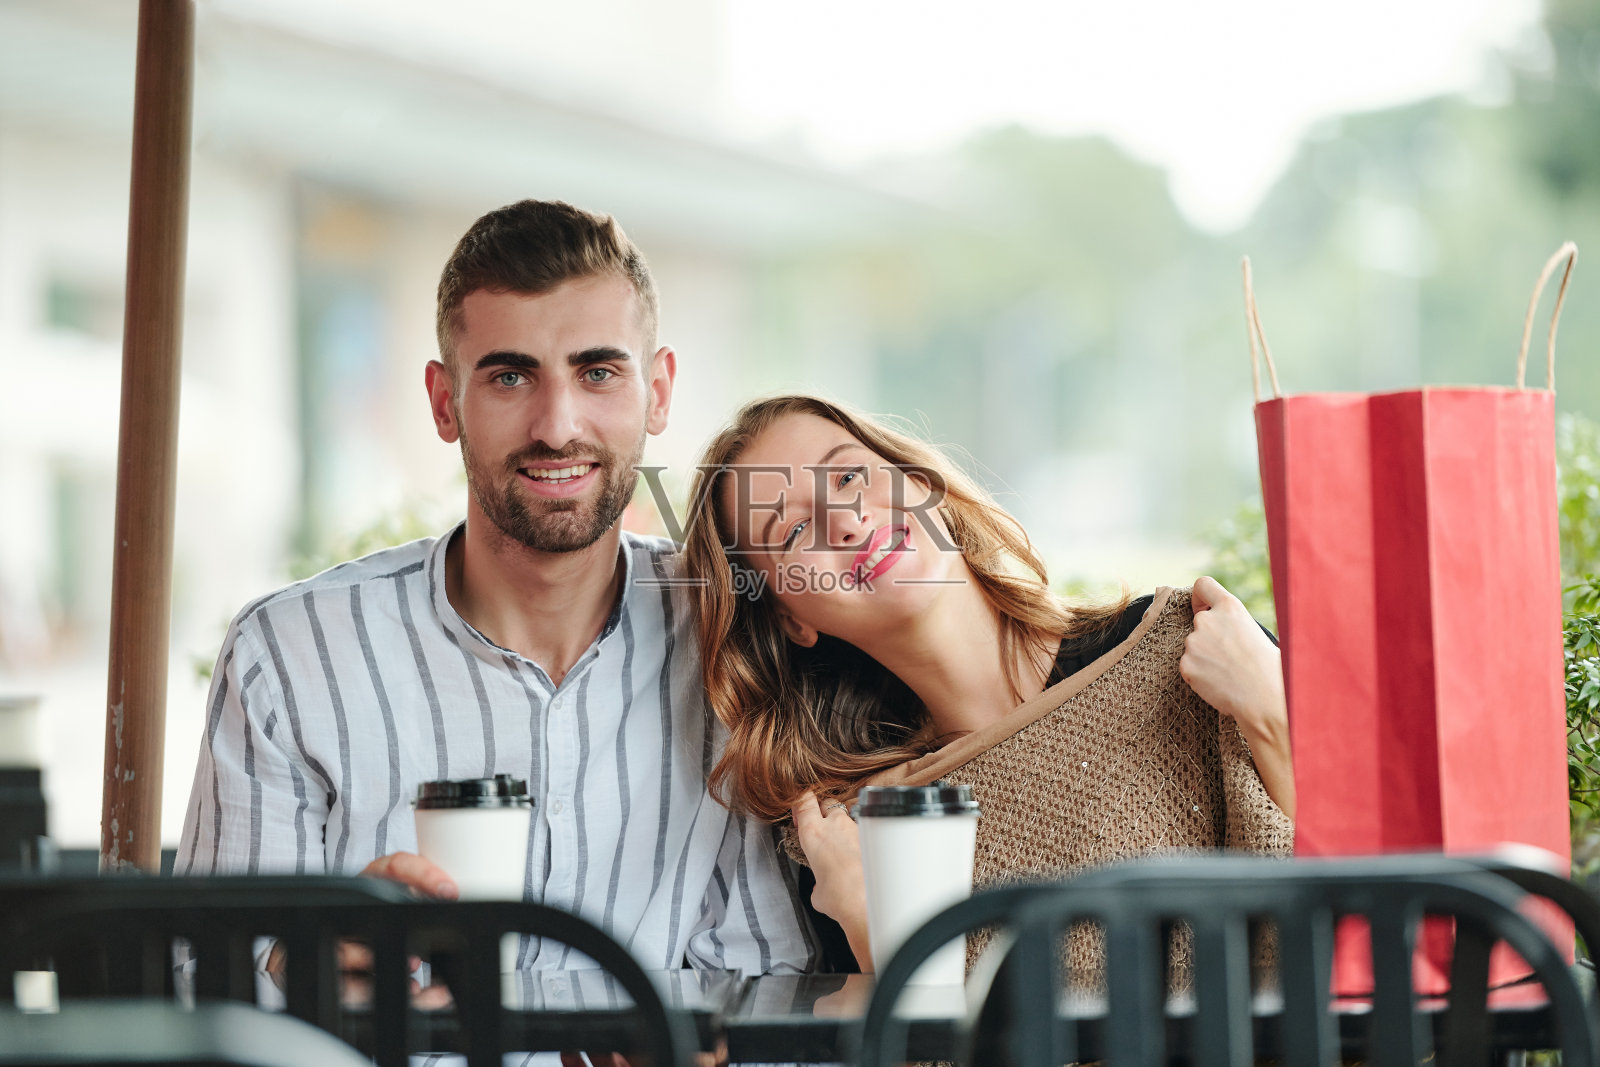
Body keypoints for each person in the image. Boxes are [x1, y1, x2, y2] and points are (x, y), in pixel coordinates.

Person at [177, 200, 816, 978]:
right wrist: (306, 964)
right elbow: (204, 982)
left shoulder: (725, 634)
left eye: (599, 372)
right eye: (511, 375)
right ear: (446, 401)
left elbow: (767, 980)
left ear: (658, 389)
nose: (557, 424)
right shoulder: (293, 653)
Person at [681, 394, 1293, 970]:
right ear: (792, 619)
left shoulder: (1192, 646)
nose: (845, 521)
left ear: (916, 481)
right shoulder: (853, 841)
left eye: (848, 477)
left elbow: (1367, 914)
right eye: (790, 532)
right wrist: (876, 931)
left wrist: (1274, 714)